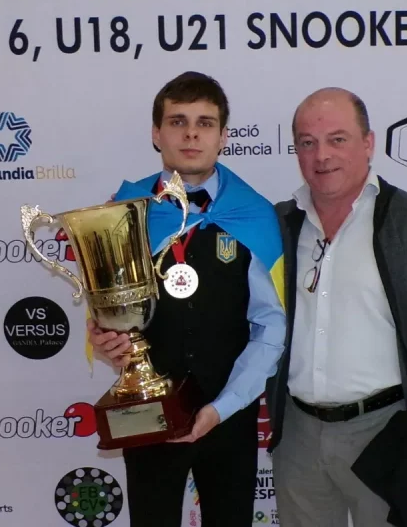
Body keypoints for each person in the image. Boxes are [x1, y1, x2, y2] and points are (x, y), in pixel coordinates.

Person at [264, 87, 407, 527]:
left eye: (338, 139)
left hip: (386, 433)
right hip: (298, 438)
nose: (322, 155)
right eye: (307, 143)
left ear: (369, 143)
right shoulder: (279, 224)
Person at [86, 71, 286, 527]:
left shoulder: (253, 214)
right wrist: (105, 340)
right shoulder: (124, 210)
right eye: (177, 121)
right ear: (157, 134)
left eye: (205, 122)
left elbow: (271, 324)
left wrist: (226, 404)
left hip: (230, 413)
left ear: (224, 137)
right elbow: (109, 311)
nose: (191, 133)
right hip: (147, 411)